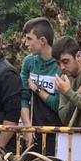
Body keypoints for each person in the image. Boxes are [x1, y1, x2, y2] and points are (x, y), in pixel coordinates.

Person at [19, 17, 62, 153]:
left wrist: (37, 90)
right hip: (34, 131)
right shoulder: (29, 62)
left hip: (57, 132)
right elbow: (22, 97)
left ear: (42, 40)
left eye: (29, 39)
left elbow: (58, 104)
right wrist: (27, 126)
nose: (26, 43)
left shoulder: (61, 65)